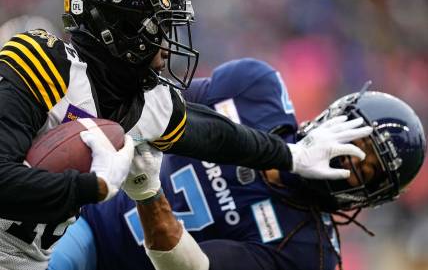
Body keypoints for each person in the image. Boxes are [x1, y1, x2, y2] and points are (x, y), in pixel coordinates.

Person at [0, 0, 371, 270]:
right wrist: (93, 186)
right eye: (159, 28)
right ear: (120, 28)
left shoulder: (145, 101)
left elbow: (215, 135)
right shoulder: (42, 61)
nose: (167, 45)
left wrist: (290, 154)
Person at [49, 58, 425, 270]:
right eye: (355, 143)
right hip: (89, 219)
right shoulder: (256, 90)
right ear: (335, 115)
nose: (350, 161)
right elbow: (150, 105)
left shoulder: (308, 253)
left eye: (368, 172)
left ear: (371, 197)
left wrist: (148, 191)